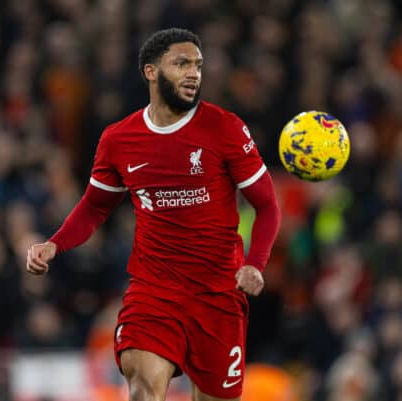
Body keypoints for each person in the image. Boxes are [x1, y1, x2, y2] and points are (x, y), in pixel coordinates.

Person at [26, 28, 281, 401]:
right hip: (154, 289)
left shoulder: (224, 128)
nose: (193, 73)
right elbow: (95, 206)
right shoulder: (119, 139)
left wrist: (255, 264)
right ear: (150, 71)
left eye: (198, 65)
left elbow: (268, 205)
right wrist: (55, 244)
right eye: (181, 64)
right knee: (143, 387)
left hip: (218, 293)